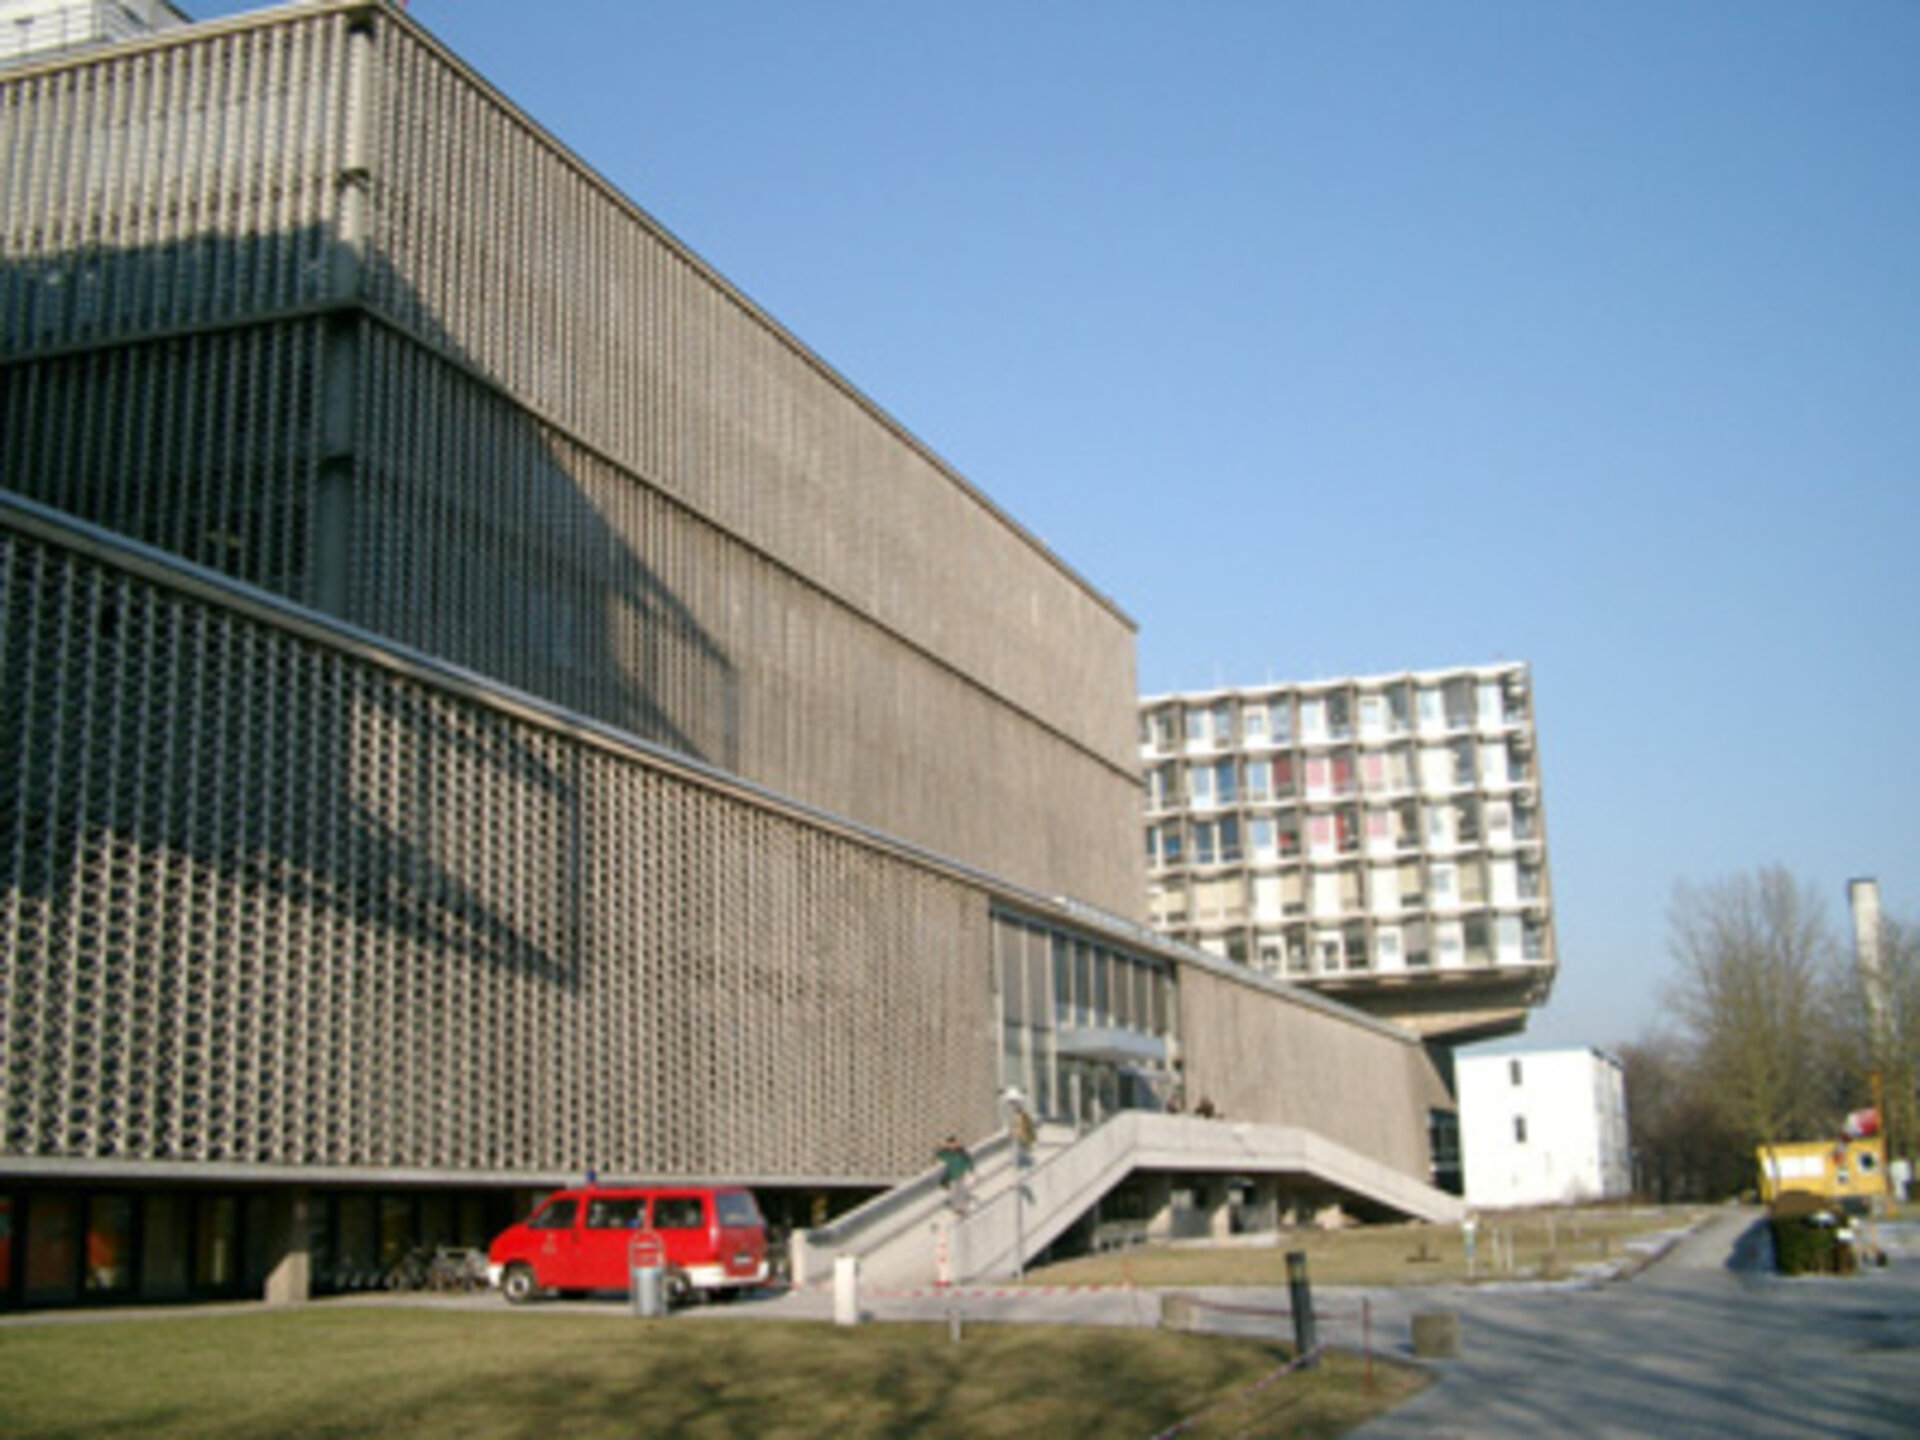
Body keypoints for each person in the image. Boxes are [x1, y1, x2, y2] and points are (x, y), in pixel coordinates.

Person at [935, 1136, 975, 1213]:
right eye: (950, 1144)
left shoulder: (962, 1153)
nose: (953, 1146)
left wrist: (971, 1171)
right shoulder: (947, 1153)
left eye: (954, 1144)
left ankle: (962, 1207)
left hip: (960, 1175)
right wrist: (941, 1147)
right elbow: (938, 1155)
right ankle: (957, 1206)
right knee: (955, 1190)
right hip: (952, 1175)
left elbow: (968, 1161)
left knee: (960, 1190)